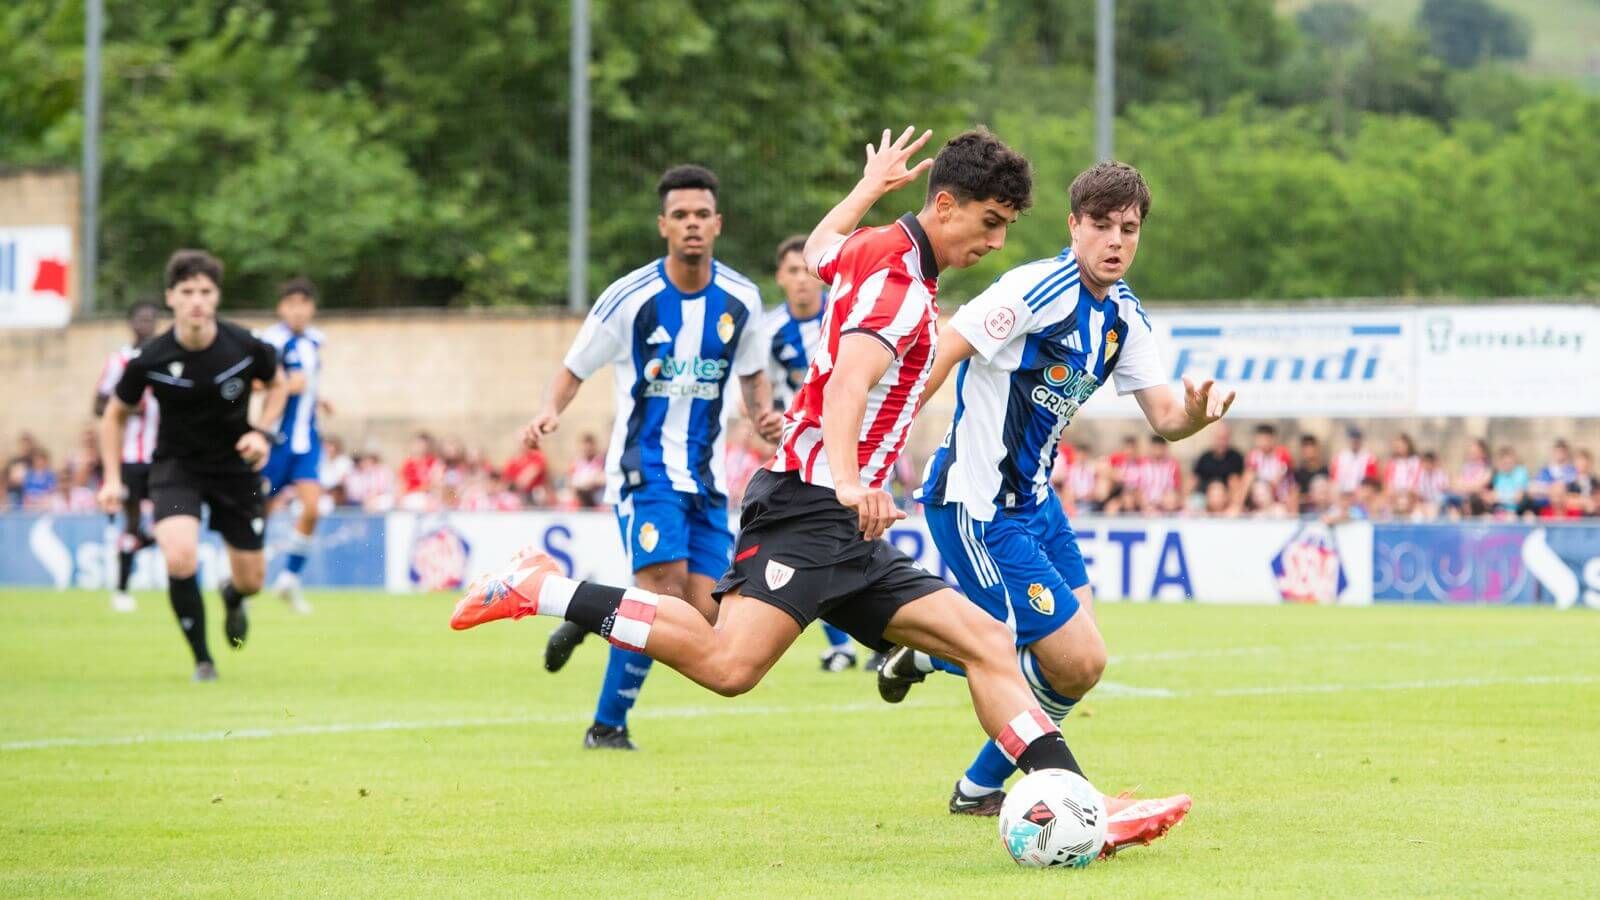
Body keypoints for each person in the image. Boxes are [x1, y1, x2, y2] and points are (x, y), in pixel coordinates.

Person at [454, 129, 1185, 855]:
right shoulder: (900, 290)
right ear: (948, 205)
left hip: (848, 527)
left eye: (1007, 227)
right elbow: (846, 387)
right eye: (990, 222)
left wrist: (869, 188)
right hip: (811, 507)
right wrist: (849, 480)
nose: (995, 242)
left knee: (989, 641)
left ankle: (1080, 801)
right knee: (728, 666)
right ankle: (542, 589)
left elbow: (821, 245)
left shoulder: (877, 247)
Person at [893, 160, 1228, 837]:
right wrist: (877, 448)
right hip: (976, 505)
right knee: (1058, 655)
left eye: (1128, 229)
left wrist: (1199, 414)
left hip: (1037, 508)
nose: (1114, 240)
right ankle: (1062, 795)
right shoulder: (1035, 288)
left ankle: (973, 776)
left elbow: (1165, 419)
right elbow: (946, 347)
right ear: (1073, 226)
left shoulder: (1124, 315)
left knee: (1077, 669)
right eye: (1100, 225)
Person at [525, 163, 783, 750]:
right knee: (659, 597)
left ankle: (593, 607)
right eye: (681, 217)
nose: (692, 226)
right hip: (645, 470)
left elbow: (752, 376)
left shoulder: (741, 298)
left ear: (718, 224)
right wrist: (550, 411)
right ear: (663, 225)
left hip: (707, 478)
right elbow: (574, 367)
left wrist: (764, 414)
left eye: (702, 216)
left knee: (710, 615)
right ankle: (607, 726)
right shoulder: (630, 297)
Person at [97, 250, 286, 682]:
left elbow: (278, 386)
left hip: (236, 470)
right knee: (180, 556)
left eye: (205, 291)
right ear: (171, 297)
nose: (196, 300)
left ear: (217, 296)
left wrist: (262, 432)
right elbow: (114, 415)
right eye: (187, 292)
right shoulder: (150, 358)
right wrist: (111, 478)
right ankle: (203, 660)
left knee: (253, 580)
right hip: (176, 467)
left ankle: (233, 597)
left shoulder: (246, 345)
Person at [763, 233, 866, 672]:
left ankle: (878, 639)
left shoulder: (845, 317)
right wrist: (765, 417)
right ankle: (845, 644)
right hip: (802, 452)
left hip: (853, 447)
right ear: (780, 279)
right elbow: (760, 388)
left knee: (859, 541)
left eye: (807, 272)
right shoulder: (769, 330)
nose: (802, 282)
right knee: (815, 546)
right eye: (792, 272)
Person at [259, 278, 330, 615]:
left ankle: (289, 579)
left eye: (304, 303)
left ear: (312, 308)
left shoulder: (316, 341)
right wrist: (287, 386)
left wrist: (320, 399)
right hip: (275, 440)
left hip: (307, 440)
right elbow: (256, 382)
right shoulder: (271, 341)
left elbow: (310, 384)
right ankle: (245, 580)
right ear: (281, 308)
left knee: (313, 507)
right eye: (291, 303)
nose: (297, 310)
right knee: (261, 511)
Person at [94, 300, 163, 611]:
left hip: (166, 456)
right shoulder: (120, 360)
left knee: (173, 518)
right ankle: (121, 590)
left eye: (151, 319)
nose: (146, 325)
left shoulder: (167, 359)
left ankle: (145, 547)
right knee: (132, 521)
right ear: (131, 323)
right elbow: (98, 406)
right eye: (141, 319)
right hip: (131, 458)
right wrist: (132, 407)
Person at [1191, 423, 1243, 509]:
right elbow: (1193, 479)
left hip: (1227, 497)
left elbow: (1235, 483)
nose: (1221, 442)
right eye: (1219, 438)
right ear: (1213, 439)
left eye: (1224, 438)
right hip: (1205, 497)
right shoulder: (1204, 457)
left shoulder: (1236, 457)